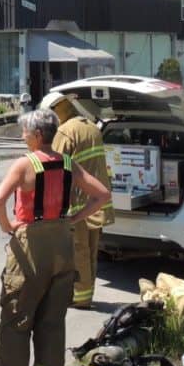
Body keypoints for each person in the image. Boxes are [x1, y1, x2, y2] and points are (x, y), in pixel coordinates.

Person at [0, 108, 112, 366]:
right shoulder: (68, 164)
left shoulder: (24, 165)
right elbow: (102, 195)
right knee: (52, 322)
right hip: (62, 243)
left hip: (31, 245)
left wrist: (8, 227)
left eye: (25, 132)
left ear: (37, 135)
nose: (22, 136)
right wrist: (73, 219)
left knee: (17, 322)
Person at [42, 92, 114, 310]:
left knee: (78, 251)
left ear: (57, 110)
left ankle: (80, 298)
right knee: (91, 251)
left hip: (77, 204)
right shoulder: (90, 126)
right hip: (96, 203)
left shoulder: (65, 132)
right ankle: (87, 294)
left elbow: (53, 167)